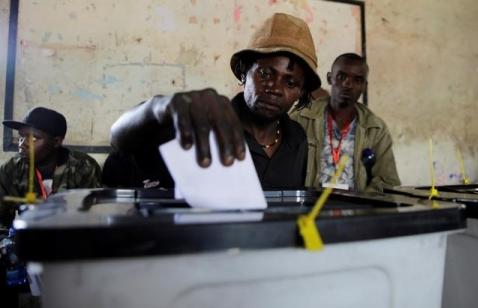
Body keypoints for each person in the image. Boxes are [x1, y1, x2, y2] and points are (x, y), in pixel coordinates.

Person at [105, 13, 322, 190]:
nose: (275, 88)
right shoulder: (201, 123)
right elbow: (118, 139)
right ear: (244, 73)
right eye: (265, 74)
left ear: (301, 92)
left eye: (291, 83)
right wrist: (158, 106)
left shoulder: (298, 139)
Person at [290, 53, 400, 192]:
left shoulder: (375, 128)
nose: (348, 84)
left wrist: (362, 203)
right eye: (342, 77)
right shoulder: (301, 119)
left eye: (357, 80)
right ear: (330, 78)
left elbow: (387, 181)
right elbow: (284, 171)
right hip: (310, 208)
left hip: (357, 210)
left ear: (364, 86)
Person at [0, 107, 102, 232]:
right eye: (21, 137)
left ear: (56, 141)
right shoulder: (12, 169)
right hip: (32, 239)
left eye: (33, 139)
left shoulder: (84, 167)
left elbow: (96, 218)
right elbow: (1, 221)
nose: (22, 144)